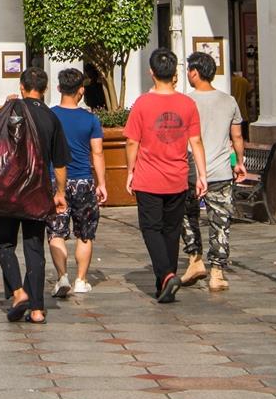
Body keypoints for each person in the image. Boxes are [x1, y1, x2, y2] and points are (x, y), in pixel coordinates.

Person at [125, 48, 208, 303]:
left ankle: (167, 275)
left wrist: (130, 171)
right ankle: (164, 282)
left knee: (151, 228)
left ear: (151, 72)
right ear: (174, 74)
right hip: (178, 177)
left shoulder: (142, 104)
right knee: (171, 230)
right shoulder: (187, 103)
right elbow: (196, 141)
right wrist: (202, 175)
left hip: (149, 177)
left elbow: (131, 142)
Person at [0, 67, 69, 325]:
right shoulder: (51, 118)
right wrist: (60, 193)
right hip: (38, 190)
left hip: (9, 189)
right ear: (45, 90)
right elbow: (59, 163)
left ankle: (18, 292)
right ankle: (37, 309)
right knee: (34, 246)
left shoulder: (12, 111)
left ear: (22, 87)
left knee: (4, 242)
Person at [180, 52, 249, 292]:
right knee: (220, 223)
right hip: (220, 172)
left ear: (196, 72)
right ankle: (217, 272)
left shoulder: (185, 102)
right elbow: (237, 136)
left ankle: (195, 260)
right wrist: (239, 161)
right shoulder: (229, 101)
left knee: (188, 218)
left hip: (189, 171)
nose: (188, 74)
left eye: (189, 70)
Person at [47, 67, 106, 298]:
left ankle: (62, 277)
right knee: (85, 233)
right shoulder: (91, 119)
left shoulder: (50, 117)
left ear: (59, 88)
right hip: (83, 181)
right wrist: (101, 183)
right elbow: (98, 153)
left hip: (55, 181)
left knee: (56, 232)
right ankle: (81, 279)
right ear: (81, 90)